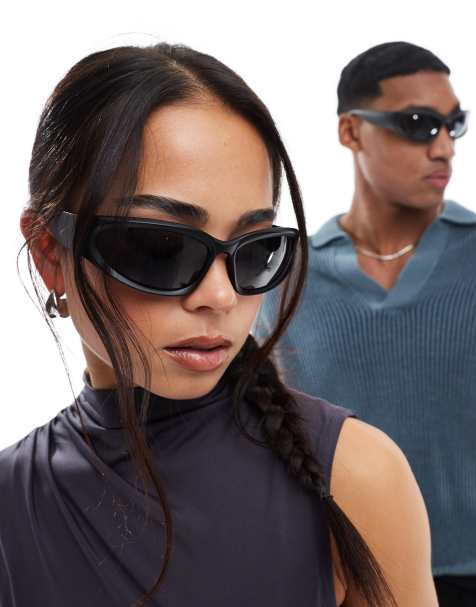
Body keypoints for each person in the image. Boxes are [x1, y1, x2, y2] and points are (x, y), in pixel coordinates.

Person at [0, 43, 436, 607]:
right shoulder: (11, 503)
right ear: (49, 253)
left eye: (255, 250)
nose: (221, 296)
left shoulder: (358, 478)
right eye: (163, 247)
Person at [256, 41, 475, 606]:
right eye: (419, 124)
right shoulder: (285, 278)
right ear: (351, 131)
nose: (444, 147)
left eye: (454, 124)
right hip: (342, 579)